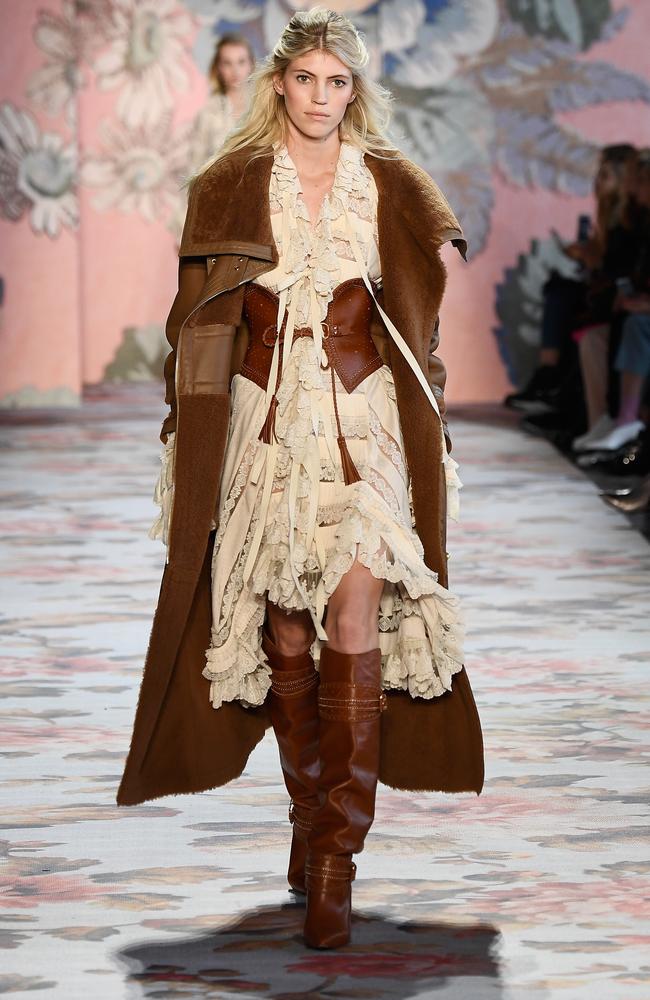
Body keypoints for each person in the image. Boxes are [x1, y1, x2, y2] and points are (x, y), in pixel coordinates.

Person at [117, 6, 485, 950]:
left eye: (339, 83)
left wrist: (429, 416)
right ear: (279, 83)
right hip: (265, 430)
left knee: (353, 615)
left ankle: (335, 859)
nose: (322, 98)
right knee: (285, 634)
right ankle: (306, 807)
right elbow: (195, 317)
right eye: (308, 79)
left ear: (354, 92)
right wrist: (183, 425)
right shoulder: (231, 184)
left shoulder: (390, 185)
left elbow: (419, 321)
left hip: (365, 432)